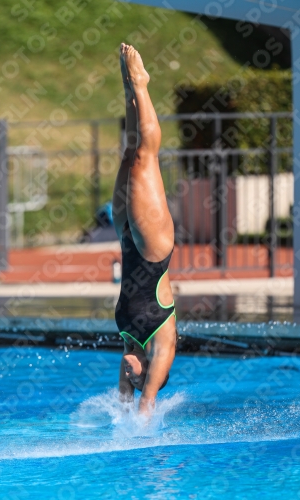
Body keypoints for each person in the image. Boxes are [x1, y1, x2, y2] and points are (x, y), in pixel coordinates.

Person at [113, 44, 177, 416]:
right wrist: (142, 400)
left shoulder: (128, 344)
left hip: (126, 239)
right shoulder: (161, 343)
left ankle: (128, 91)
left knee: (128, 152)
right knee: (143, 158)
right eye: (132, 376)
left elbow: (121, 403)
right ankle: (141, 84)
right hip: (152, 249)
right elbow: (146, 405)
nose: (124, 369)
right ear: (145, 376)